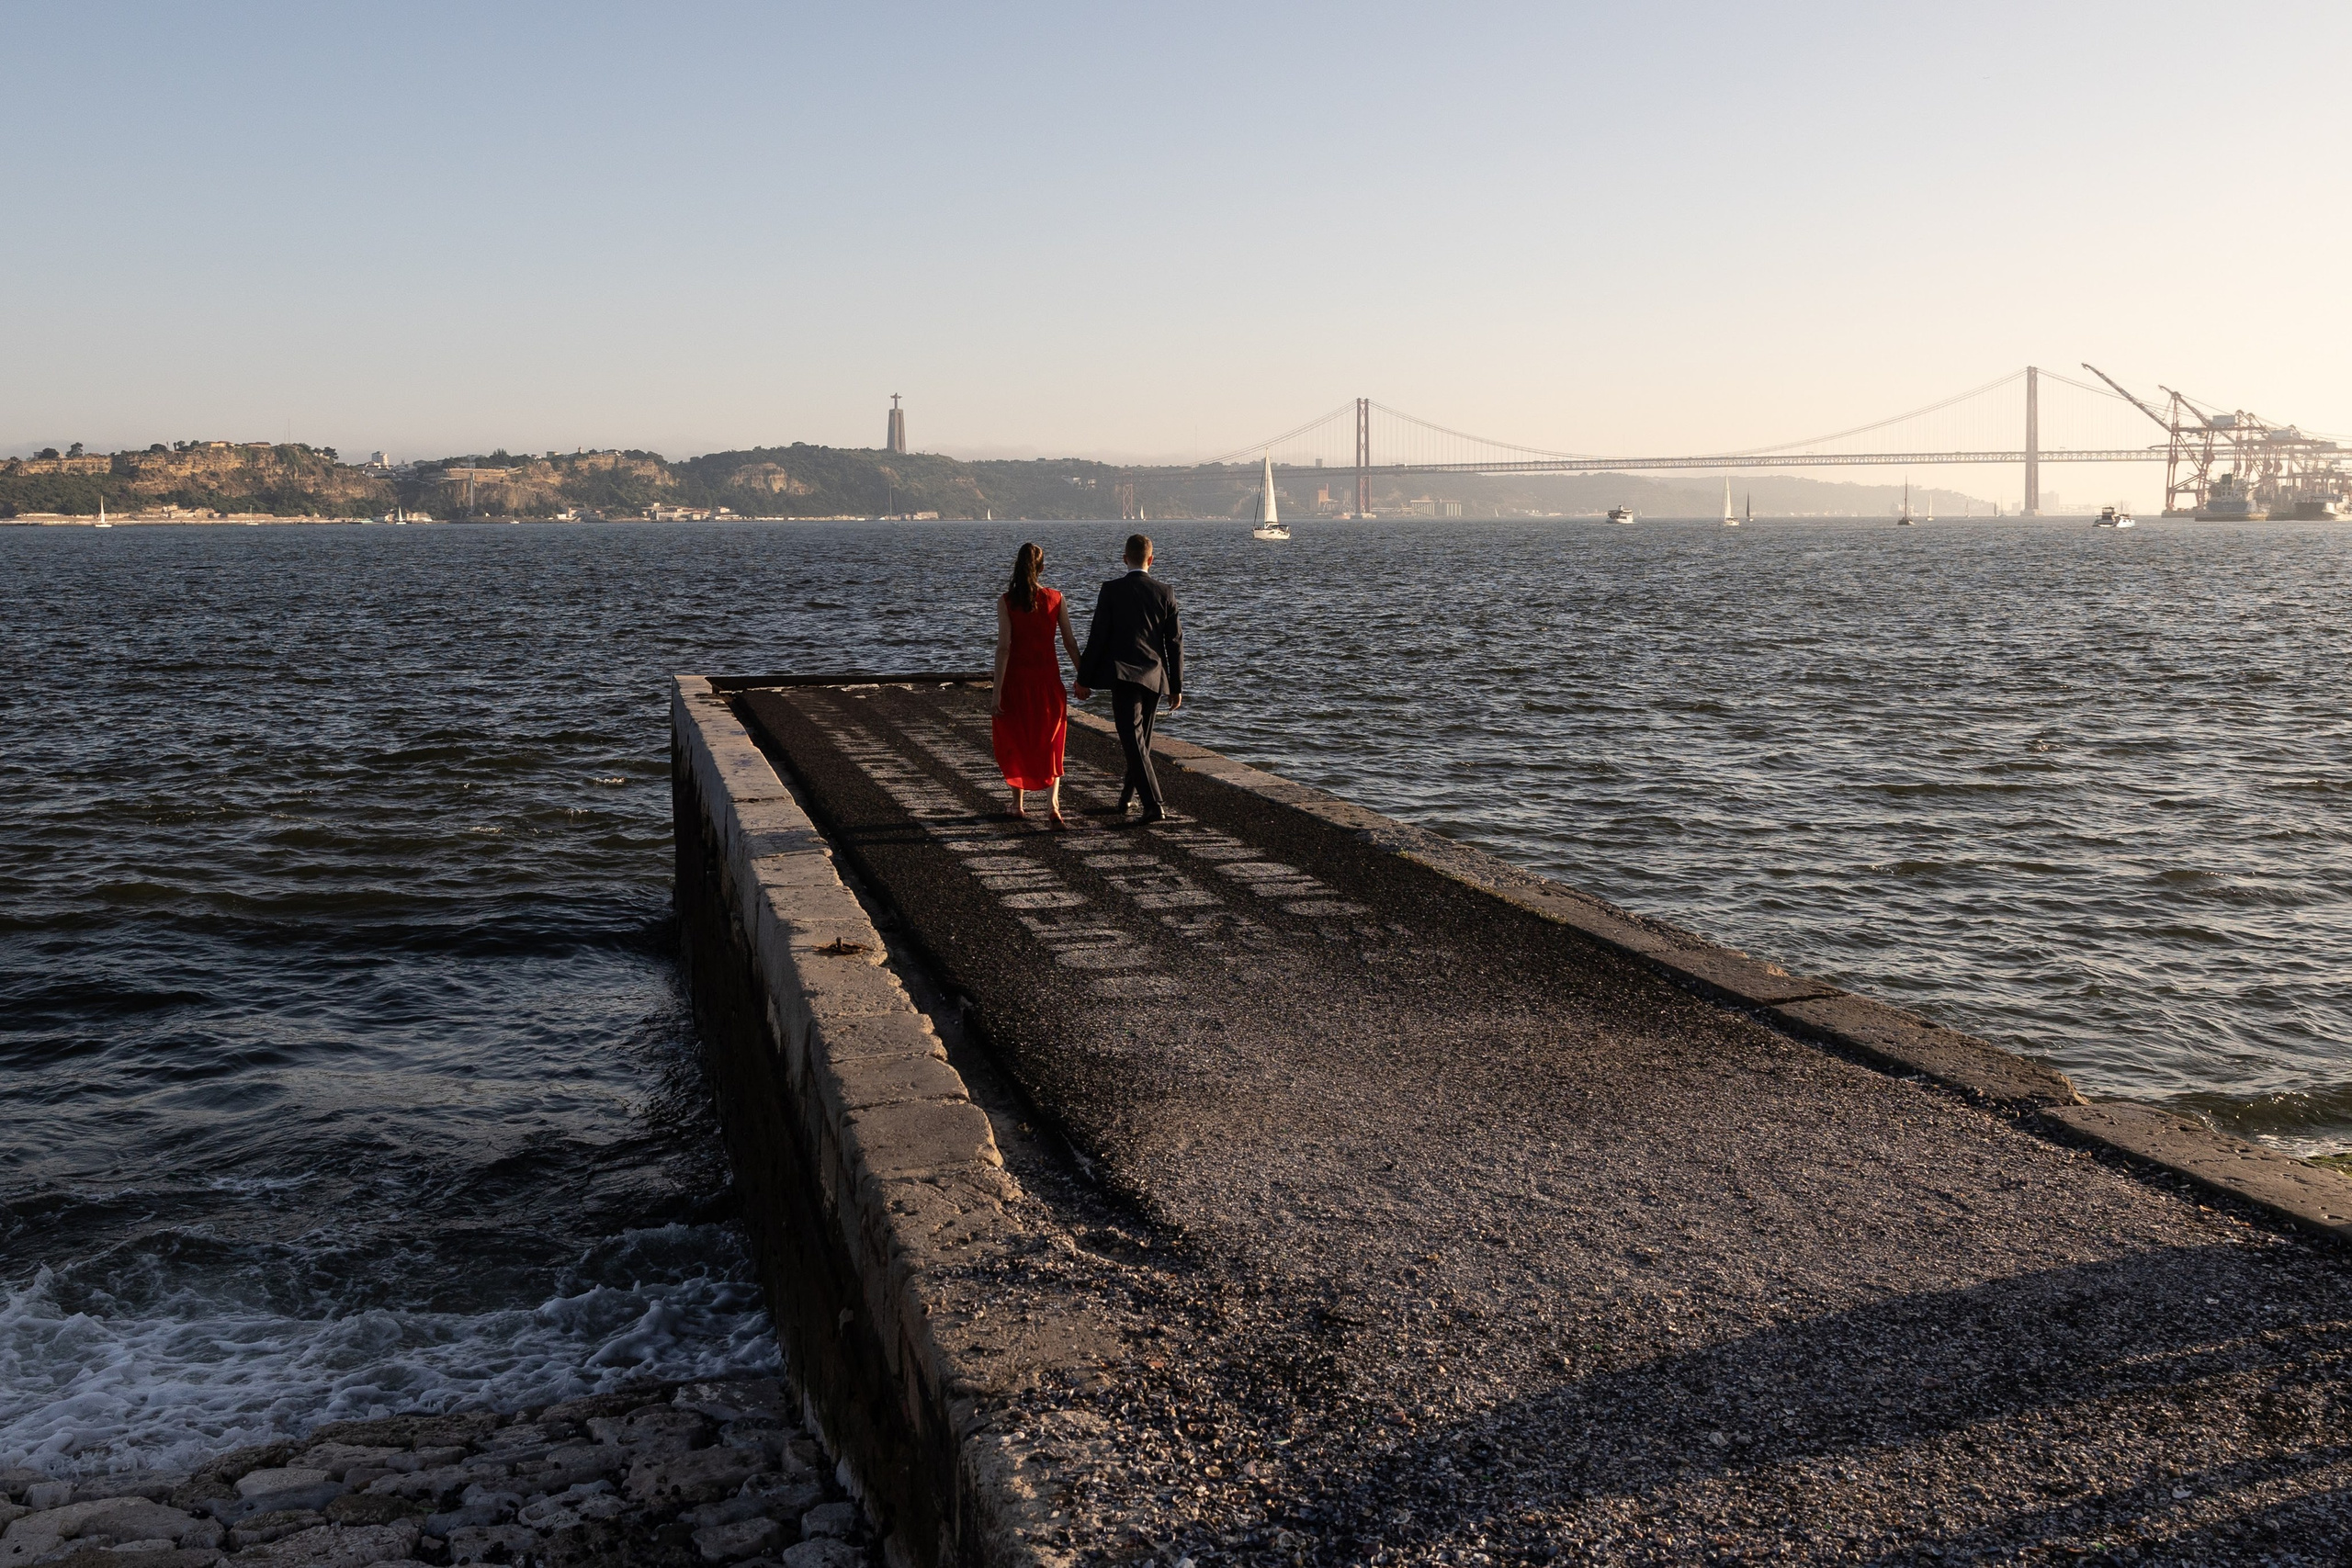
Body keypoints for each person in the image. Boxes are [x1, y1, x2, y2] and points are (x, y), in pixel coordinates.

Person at [1073, 533, 1183, 824]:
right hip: (1155, 677)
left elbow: (1097, 638)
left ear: (1125, 559)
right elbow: (1175, 642)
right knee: (1140, 742)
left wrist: (1083, 678)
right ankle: (1126, 798)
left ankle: (1154, 804)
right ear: (1151, 559)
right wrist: (1176, 685)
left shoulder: (1111, 590)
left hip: (1123, 674)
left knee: (1133, 742)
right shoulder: (1166, 592)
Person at [990, 541, 1083, 827]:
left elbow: (1004, 648)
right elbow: (1069, 642)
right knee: (1051, 740)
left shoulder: (1006, 602)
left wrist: (996, 693)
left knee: (1017, 739)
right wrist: (1083, 676)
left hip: (1016, 682)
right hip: (1048, 683)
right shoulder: (1056, 598)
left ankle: (1017, 804)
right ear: (1042, 568)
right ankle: (1052, 804)